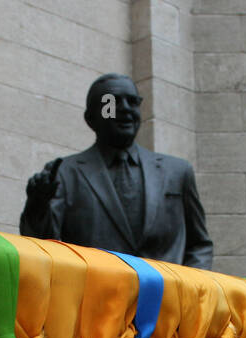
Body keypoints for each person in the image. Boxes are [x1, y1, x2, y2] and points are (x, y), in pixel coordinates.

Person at [19, 73, 214, 270]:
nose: (125, 109)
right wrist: (37, 207)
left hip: (167, 298)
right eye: (111, 103)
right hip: (97, 296)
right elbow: (42, 248)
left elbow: (199, 245)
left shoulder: (178, 172)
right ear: (90, 118)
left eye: (132, 101)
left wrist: (191, 290)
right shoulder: (64, 173)